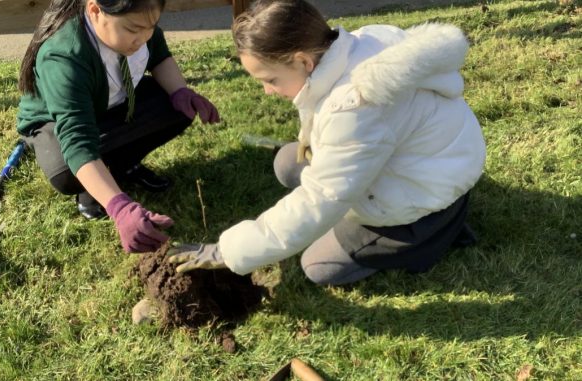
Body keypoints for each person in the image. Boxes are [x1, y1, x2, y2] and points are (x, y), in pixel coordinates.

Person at [168, 0, 486, 286]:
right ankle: (443, 216)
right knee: (288, 162)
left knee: (318, 266)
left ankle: (433, 235)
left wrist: (229, 251)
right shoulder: (355, 44)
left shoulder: (355, 105)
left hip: (424, 195)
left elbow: (321, 200)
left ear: (304, 61)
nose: (267, 91)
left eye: (270, 79)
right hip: (439, 162)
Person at [16, 0, 219, 253]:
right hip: (56, 123)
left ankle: (122, 166)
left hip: (111, 104)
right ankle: (96, 187)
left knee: (179, 107)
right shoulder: (64, 55)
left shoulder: (140, 22)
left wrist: (181, 92)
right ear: (95, 10)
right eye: (133, 30)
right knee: (64, 170)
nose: (143, 38)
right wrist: (120, 208)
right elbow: (77, 139)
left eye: (151, 27)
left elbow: (159, 56)